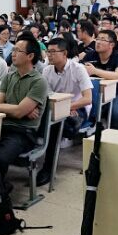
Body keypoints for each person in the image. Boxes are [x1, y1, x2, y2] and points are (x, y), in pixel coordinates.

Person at [0, 35, 49, 178]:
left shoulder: (39, 81)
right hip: (1, 126)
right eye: (13, 50)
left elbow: (17, 112)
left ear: (30, 56)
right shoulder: (9, 77)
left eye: (17, 50)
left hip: (23, 132)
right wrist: (15, 109)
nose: (12, 54)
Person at [37, 37, 94, 186]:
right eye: (48, 52)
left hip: (78, 108)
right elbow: (45, 95)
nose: (49, 55)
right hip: (56, 108)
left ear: (64, 53)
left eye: (53, 52)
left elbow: (88, 99)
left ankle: (48, 169)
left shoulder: (78, 69)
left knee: (54, 125)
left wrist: (69, 107)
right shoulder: (47, 70)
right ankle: (29, 158)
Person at [83, 30, 118, 130]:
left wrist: (95, 71)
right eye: (97, 39)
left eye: (102, 39)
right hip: (95, 93)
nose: (98, 42)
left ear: (111, 44)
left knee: (114, 112)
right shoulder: (90, 55)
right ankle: (91, 131)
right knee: (87, 109)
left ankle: (114, 133)